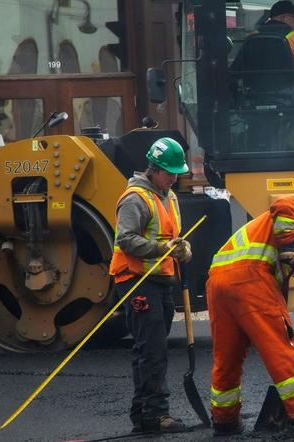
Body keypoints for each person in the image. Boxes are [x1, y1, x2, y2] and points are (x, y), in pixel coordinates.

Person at [206, 196, 294, 436]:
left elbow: (279, 293)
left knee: (227, 357)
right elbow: (284, 202)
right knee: (281, 347)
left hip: (217, 283)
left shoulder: (258, 235)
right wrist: (290, 247)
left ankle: (225, 420)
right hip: (249, 279)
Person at [109, 137, 193, 433]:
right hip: (136, 281)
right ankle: (156, 414)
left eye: (175, 173)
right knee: (153, 348)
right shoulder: (135, 199)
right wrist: (163, 250)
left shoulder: (167, 196)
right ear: (154, 169)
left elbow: (169, 237)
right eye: (169, 172)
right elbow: (125, 239)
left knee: (149, 347)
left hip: (159, 279)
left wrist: (182, 248)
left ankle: (142, 413)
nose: (174, 178)